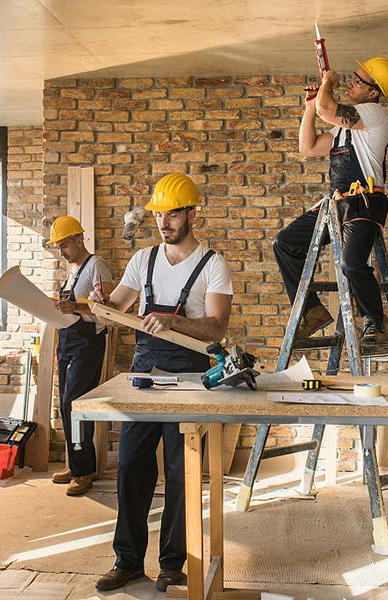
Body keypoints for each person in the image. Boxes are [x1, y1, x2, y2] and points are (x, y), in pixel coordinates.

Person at [88, 174, 233, 593]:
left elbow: (217, 329)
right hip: (145, 375)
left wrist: (175, 320)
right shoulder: (143, 260)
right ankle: (127, 561)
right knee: (131, 467)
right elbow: (115, 309)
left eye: (172, 213)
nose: (163, 222)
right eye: (158, 214)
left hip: (190, 377)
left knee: (180, 472)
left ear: (192, 213)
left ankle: (173, 563)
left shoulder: (212, 265)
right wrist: (100, 305)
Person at [273, 57, 388, 348]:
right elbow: (308, 146)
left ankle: (375, 321)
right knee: (285, 243)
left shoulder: (375, 115)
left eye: (359, 80)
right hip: (337, 205)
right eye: (352, 77)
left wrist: (327, 83)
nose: (352, 83)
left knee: (351, 263)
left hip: (365, 202)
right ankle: (312, 311)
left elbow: (327, 109)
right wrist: (308, 108)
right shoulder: (343, 129)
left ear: (373, 93)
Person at [48, 215, 114, 496]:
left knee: (75, 407)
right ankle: (76, 467)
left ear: (79, 239)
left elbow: (108, 311)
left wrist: (74, 308)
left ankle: (85, 472)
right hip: (67, 342)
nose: (62, 251)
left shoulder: (96, 266)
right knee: (65, 406)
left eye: (65, 245)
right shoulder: (73, 269)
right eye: (58, 247)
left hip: (87, 345)